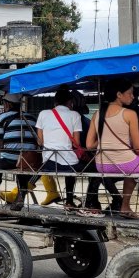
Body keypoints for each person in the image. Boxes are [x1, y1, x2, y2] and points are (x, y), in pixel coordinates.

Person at [86, 78, 139, 222]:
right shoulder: (129, 114)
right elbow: (138, 149)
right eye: (130, 93)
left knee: (134, 168)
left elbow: (89, 145)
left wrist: (104, 142)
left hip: (102, 165)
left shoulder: (97, 114)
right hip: (124, 164)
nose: (133, 97)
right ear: (119, 94)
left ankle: (125, 206)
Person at [36, 86, 101, 215]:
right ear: (70, 102)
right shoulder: (75, 115)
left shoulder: (43, 113)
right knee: (95, 169)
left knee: (70, 164)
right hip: (68, 163)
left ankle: (69, 201)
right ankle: (88, 203)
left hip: (48, 163)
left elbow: (40, 141)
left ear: (55, 102)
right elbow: (76, 143)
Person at [0, 93, 61, 210]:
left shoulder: (1, 118)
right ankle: (20, 198)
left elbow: (1, 142)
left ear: (7, 104)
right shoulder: (32, 118)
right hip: (29, 159)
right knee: (23, 168)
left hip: (10, 159)